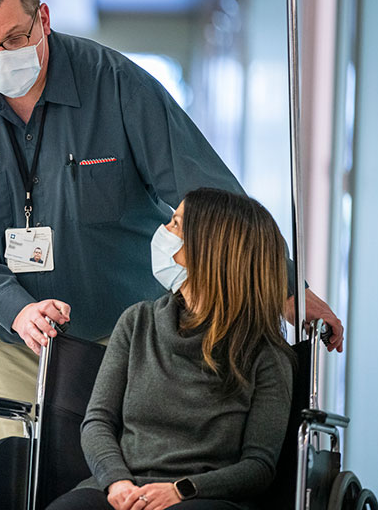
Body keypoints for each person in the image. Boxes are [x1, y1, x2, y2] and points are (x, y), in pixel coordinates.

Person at [0, 0, 342, 439]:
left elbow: (209, 198)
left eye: (14, 39)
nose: (0, 55)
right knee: (10, 467)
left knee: (115, 467)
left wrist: (283, 285)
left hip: (123, 339)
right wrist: (14, 308)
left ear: (43, 19)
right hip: (8, 337)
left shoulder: (115, 83)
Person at [47, 188, 295, 510]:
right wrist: (117, 482)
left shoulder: (266, 355)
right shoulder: (137, 322)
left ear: (211, 249)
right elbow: (98, 422)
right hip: (121, 488)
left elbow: (258, 467)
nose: (163, 231)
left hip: (202, 497)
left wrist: (182, 490)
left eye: (176, 224)